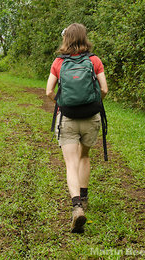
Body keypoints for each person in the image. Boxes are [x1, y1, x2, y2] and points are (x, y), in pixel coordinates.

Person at [46, 23, 108, 233]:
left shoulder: (58, 62)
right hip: (91, 117)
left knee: (70, 163)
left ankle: (76, 207)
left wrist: (62, 102)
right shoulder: (94, 60)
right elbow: (104, 89)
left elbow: (48, 92)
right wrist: (94, 103)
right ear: (84, 38)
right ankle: (84, 196)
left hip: (68, 118)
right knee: (84, 157)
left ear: (66, 39)